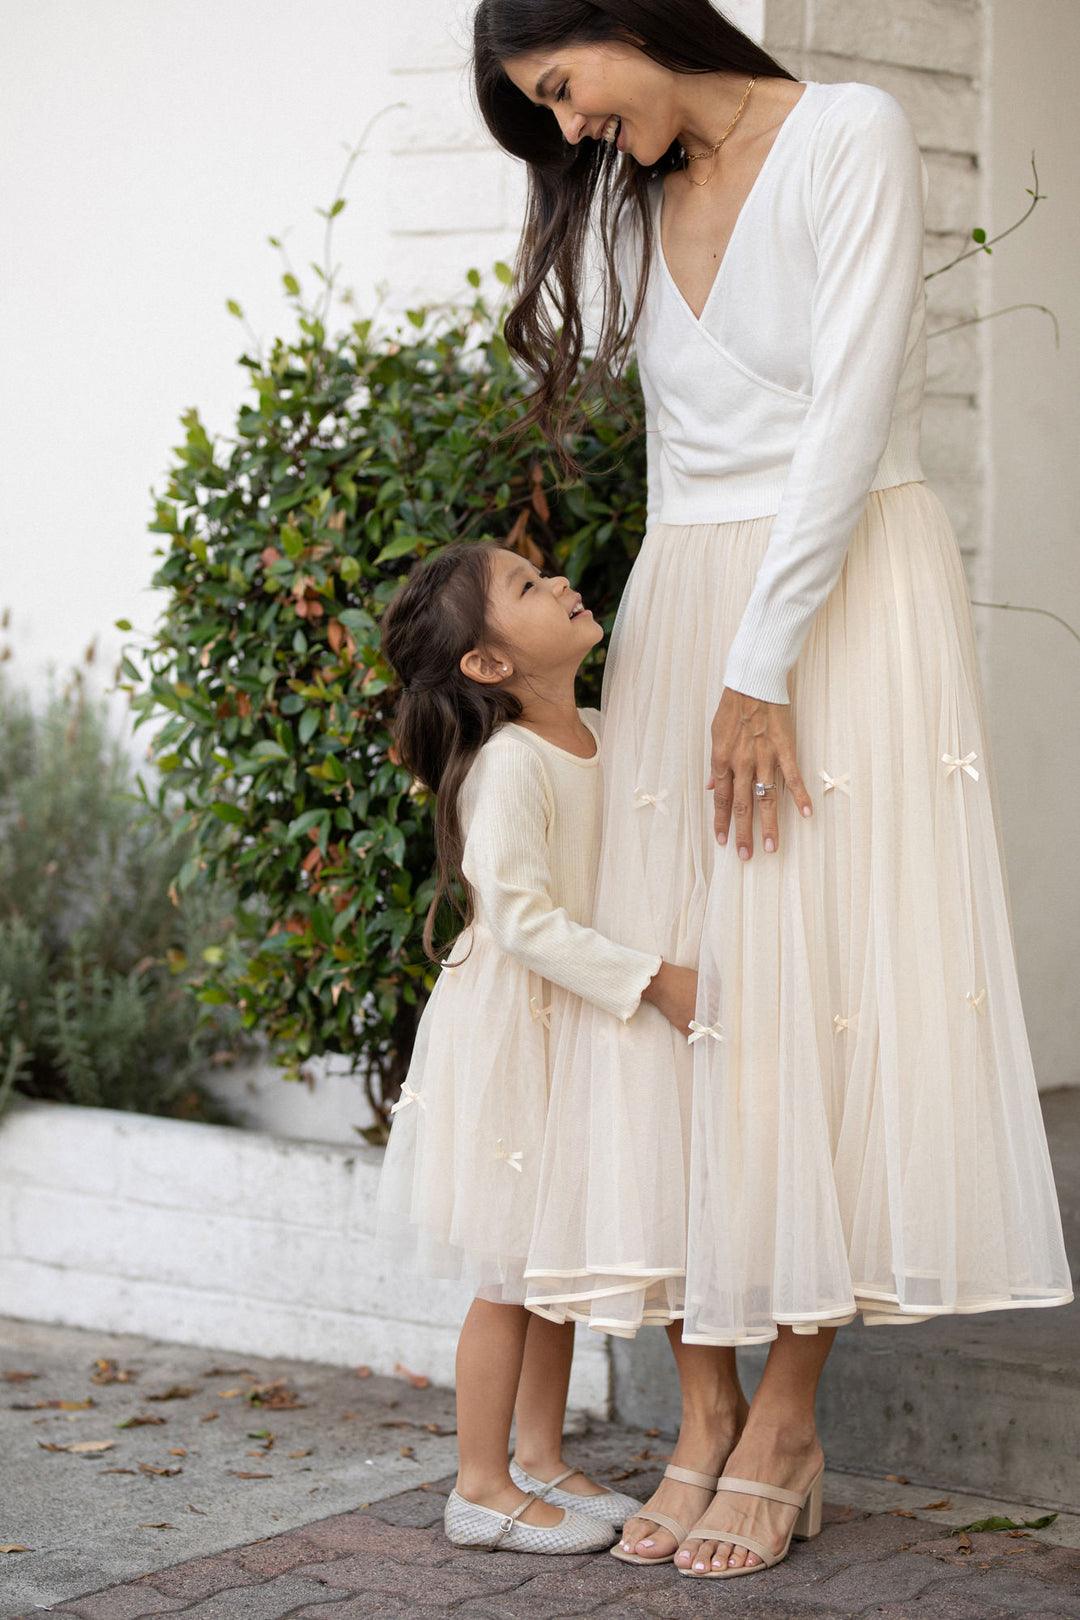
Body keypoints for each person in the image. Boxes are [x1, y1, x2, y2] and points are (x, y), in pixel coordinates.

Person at [471, 0, 1073, 1582]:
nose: (574, 130)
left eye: (564, 88)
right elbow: (687, 456)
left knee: (821, 992)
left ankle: (788, 1420)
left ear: (618, 17)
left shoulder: (851, 135)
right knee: (696, 996)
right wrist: (703, 660)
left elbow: (851, 412)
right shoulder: (634, 203)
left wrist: (766, 664)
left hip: (844, 596)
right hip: (687, 605)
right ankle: (699, 1414)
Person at [377, 541, 698, 1553]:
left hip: (579, 1031)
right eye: (525, 587)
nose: (558, 583)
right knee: (510, 1269)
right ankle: (478, 1483)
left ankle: (542, 1456)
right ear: (488, 665)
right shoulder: (511, 764)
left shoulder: (603, 733)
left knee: (552, 1258)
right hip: (519, 1028)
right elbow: (517, 916)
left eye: (541, 572)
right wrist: (648, 979)